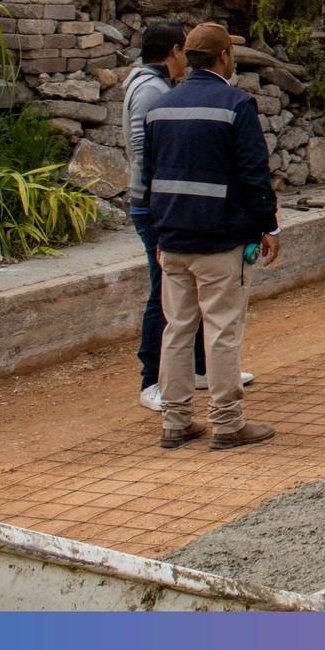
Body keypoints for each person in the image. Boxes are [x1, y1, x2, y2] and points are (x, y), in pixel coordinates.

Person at [142, 22, 279, 451]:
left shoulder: (161, 108)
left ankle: (176, 420)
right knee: (221, 330)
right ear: (223, 57)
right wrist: (268, 224)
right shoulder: (236, 104)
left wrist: (157, 233)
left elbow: (151, 177)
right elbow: (253, 172)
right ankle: (226, 422)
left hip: (172, 237)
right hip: (220, 240)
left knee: (177, 330)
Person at [127, 20, 217, 412]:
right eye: (183, 52)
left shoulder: (146, 84)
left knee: (185, 287)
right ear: (175, 52)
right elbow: (146, 148)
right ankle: (151, 379)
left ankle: (197, 367)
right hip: (154, 202)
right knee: (162, 291)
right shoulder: (151, 91)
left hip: (156, 199)